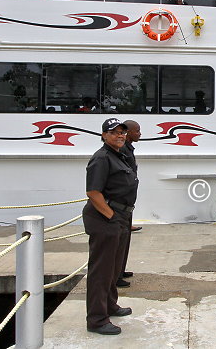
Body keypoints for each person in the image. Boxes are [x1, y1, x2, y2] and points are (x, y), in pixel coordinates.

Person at [83, 118, 138, 335]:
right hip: (105, 219)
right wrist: (112, 216)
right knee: (101, 271)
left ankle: (110, 305)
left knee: (114, 268)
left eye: (122, 132)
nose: (119, 135)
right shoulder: (101, 158)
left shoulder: (119, 154)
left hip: (120, 216)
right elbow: (93, 192)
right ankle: (97, 320)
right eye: (114, 132)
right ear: (104, 135)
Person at [116, 120, 141, 288]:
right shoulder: (123, 149)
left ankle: (121, 269)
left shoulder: (128, 148)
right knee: (119, 242)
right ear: (129, 132)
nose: (140, 134)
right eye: (137, 131)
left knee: (125, 240)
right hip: (121, 203)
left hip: (128, 202)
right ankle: (116, 275)